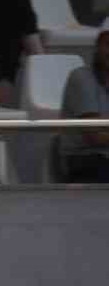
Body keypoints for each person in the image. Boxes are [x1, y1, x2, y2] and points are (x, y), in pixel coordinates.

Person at [59, 31, 109, 182]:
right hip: (85, 161)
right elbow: (94, 136)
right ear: (97, 48)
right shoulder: (82, 78)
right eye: (108, 45)